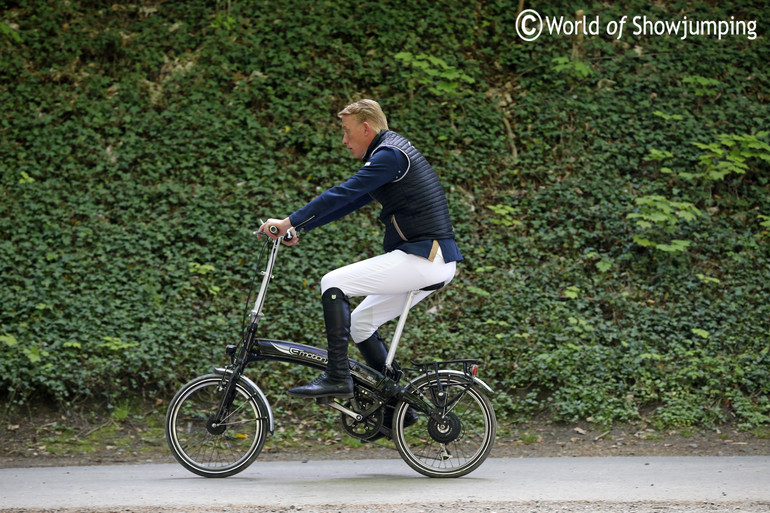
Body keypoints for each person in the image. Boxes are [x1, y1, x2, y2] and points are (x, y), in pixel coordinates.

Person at [259, 99, 462, 405]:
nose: (343, 140)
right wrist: (298, 228)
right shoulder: (388, 155)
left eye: (346, 131)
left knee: (333, 283)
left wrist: (287, 221)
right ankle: (399, 408)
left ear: (366, 128)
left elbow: (343, 192)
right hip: (430, 259)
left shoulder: (390, 155)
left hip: (425, 258)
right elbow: (350, 201)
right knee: (361, 323)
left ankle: (337, 376)